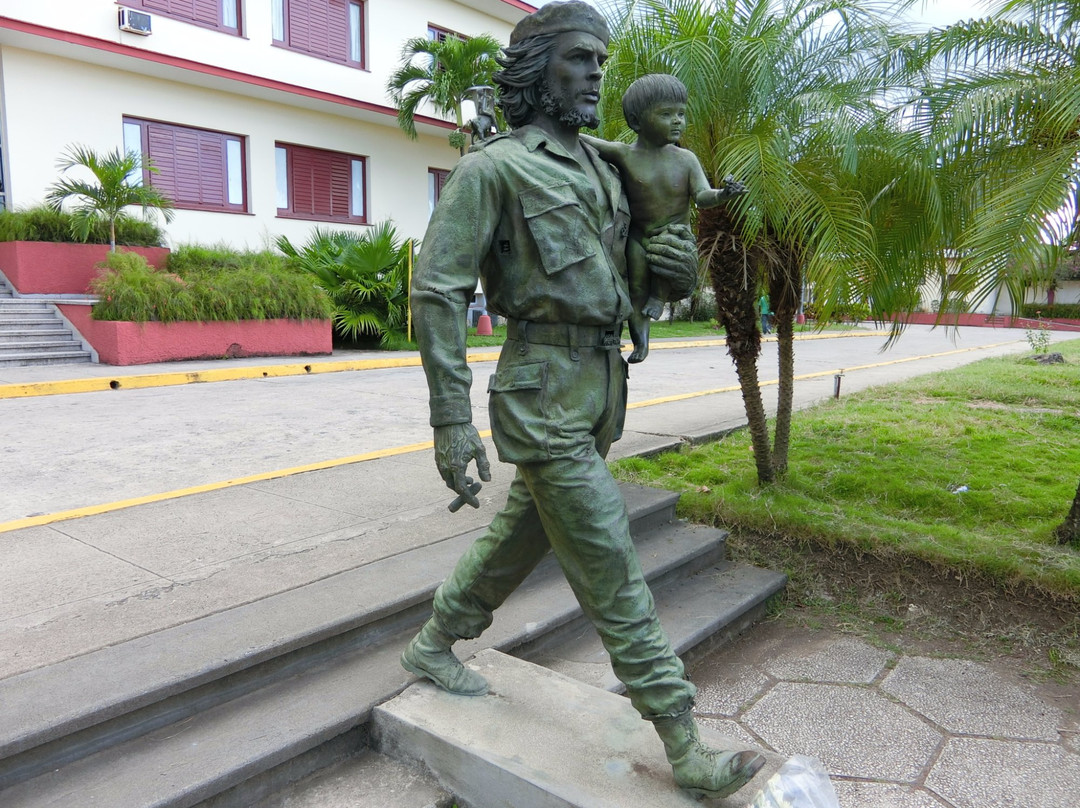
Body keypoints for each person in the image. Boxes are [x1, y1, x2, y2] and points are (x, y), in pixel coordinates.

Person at [402, 2, 765, 800]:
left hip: (600, 389)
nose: (597, 73)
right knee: (610, 561)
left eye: (600, 60)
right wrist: (450, 420)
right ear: (537, 73)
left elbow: (638, 279)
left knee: (520, 534)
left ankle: (434, 644)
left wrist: (670, 274)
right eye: (578, 59)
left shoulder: (610, 172)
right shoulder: (492, 169)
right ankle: (683, 741)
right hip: (538, 391)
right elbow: (436, 293)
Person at [583, 74, 746, 362]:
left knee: (661, 266)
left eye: (681, 114)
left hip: (672, 235)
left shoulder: (686, 160)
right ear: (637, 121)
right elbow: (588, 142)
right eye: (666, 114)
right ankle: (640, 342)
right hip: (638, 236)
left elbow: (703, 196)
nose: (677, 121)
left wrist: (723, 195)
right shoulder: (624, 154)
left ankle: (659, 298)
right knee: (635, 290)